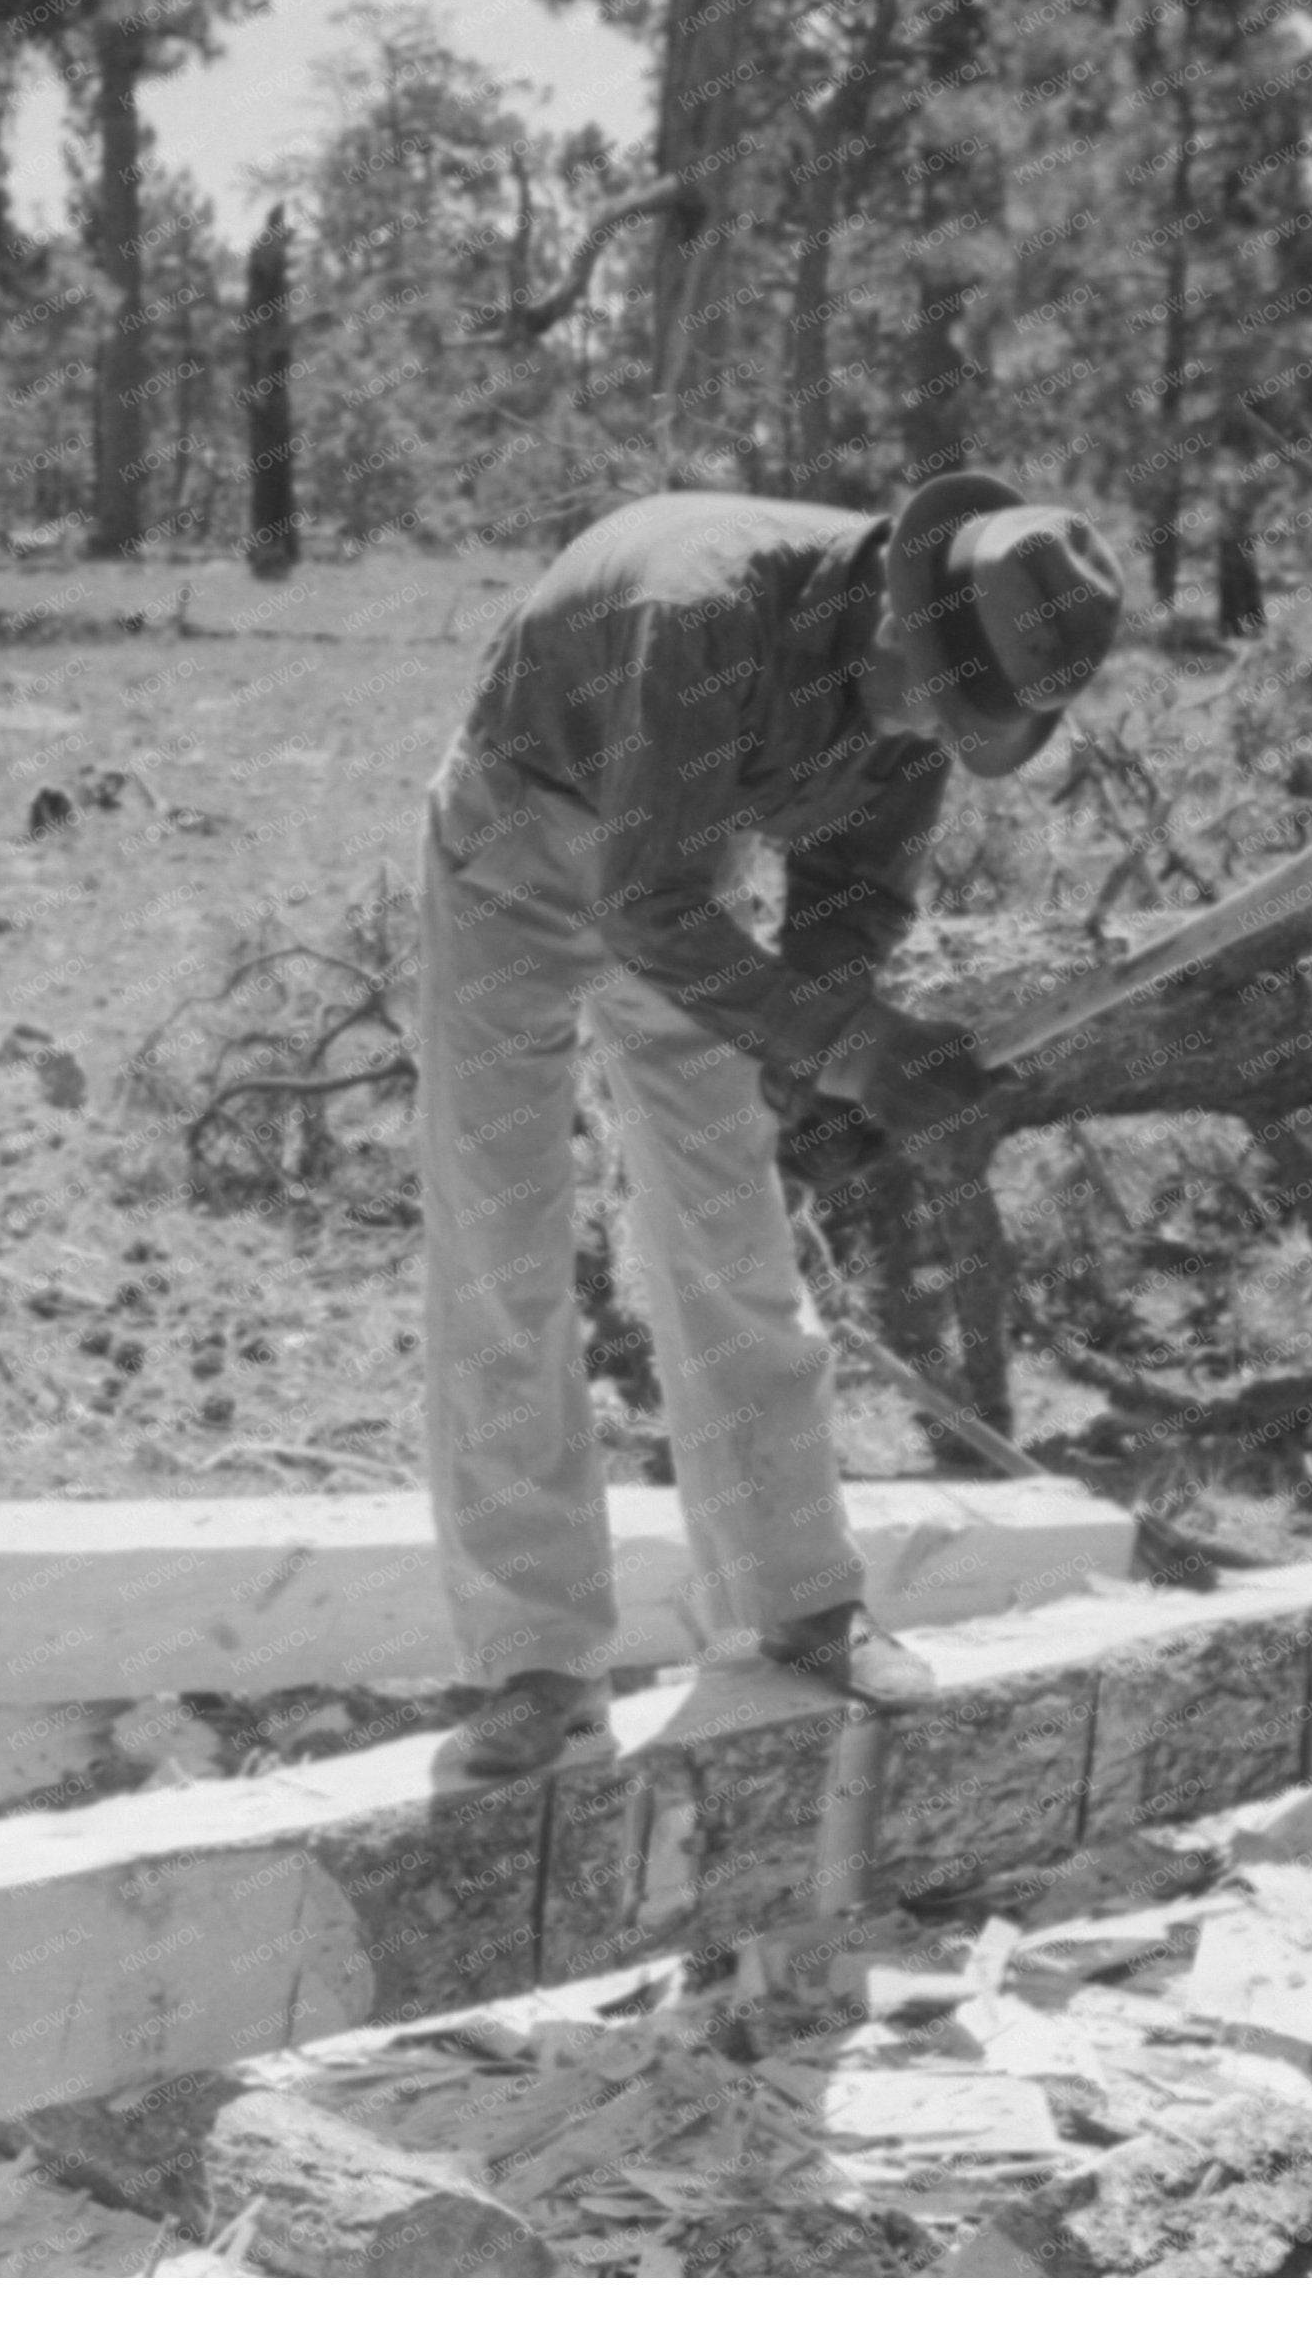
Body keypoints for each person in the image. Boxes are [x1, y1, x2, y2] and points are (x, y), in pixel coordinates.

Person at [416, 471, 1127, 1778]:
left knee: (731, 1218)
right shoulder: (707, 617)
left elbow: (850, 899)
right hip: (527, 822)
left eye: (963, 723)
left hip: (685, 860)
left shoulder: (929, 694)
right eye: (940, 700)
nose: (934, 733)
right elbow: (647, 910)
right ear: (903, 612)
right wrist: (849, 1052)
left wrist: (829, 1044)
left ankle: (799, 1603)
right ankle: (536, 1664)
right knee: (502, 1237)